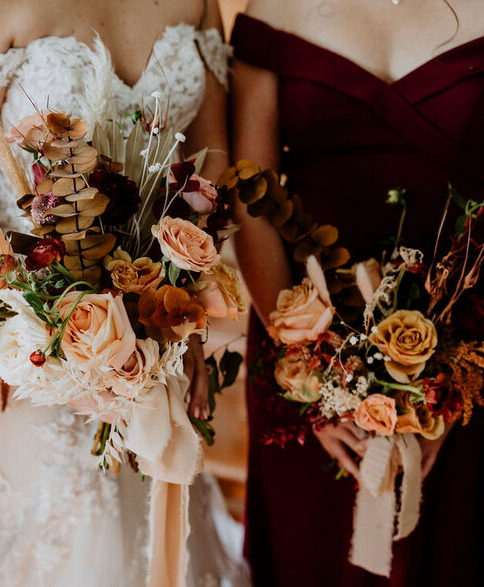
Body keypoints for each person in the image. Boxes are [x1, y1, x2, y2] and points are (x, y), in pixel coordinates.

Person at [0, 0, 245, 584]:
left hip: (159, 333)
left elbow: (210, 174)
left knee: (157, 527)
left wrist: (178, 312)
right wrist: (43, 323)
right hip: (33, 355)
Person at [231, 0, 484, 585]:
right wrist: (311, 372)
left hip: (468, 330)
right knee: (315, 552)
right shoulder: (274, 9)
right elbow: (253, 200)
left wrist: (455, 383)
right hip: (303, 330)